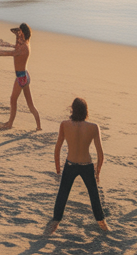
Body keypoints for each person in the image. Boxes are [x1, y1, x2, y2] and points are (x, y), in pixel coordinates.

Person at [48, 97, 109, 233]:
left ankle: (55, 223)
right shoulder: (93, 127)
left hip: (70, 165)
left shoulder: (65, 124)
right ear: (86, 111)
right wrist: (97, 171)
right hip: (87, 165)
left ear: (72, 110)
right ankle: (102, 224)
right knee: (94, 195)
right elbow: (100, 153)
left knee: (62, 194)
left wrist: (58, 168)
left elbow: (57, 147)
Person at [0, 23, 42, 131]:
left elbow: (12, 53)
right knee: (29, 104)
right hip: (24, 75)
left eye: (20, 32)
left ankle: (10, 124)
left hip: (21, 78)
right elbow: (12, 32)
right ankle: (38, 126)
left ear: (23, 33)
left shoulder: (24, 47)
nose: (18, 34)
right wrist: (18, 32)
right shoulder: (22, 42)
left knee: (13, 100)